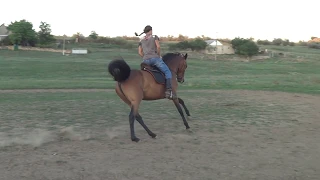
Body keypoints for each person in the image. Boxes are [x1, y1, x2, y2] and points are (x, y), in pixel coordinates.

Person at [136, 25, 175, 99]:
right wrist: (159, 55)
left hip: (145, 61)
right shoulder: (154, 37)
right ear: (150, 30)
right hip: (155, 59)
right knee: (167, 71)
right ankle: (168, 91)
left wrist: (144, 57)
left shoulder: (141, 40)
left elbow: (139, 52)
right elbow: (158, 47)